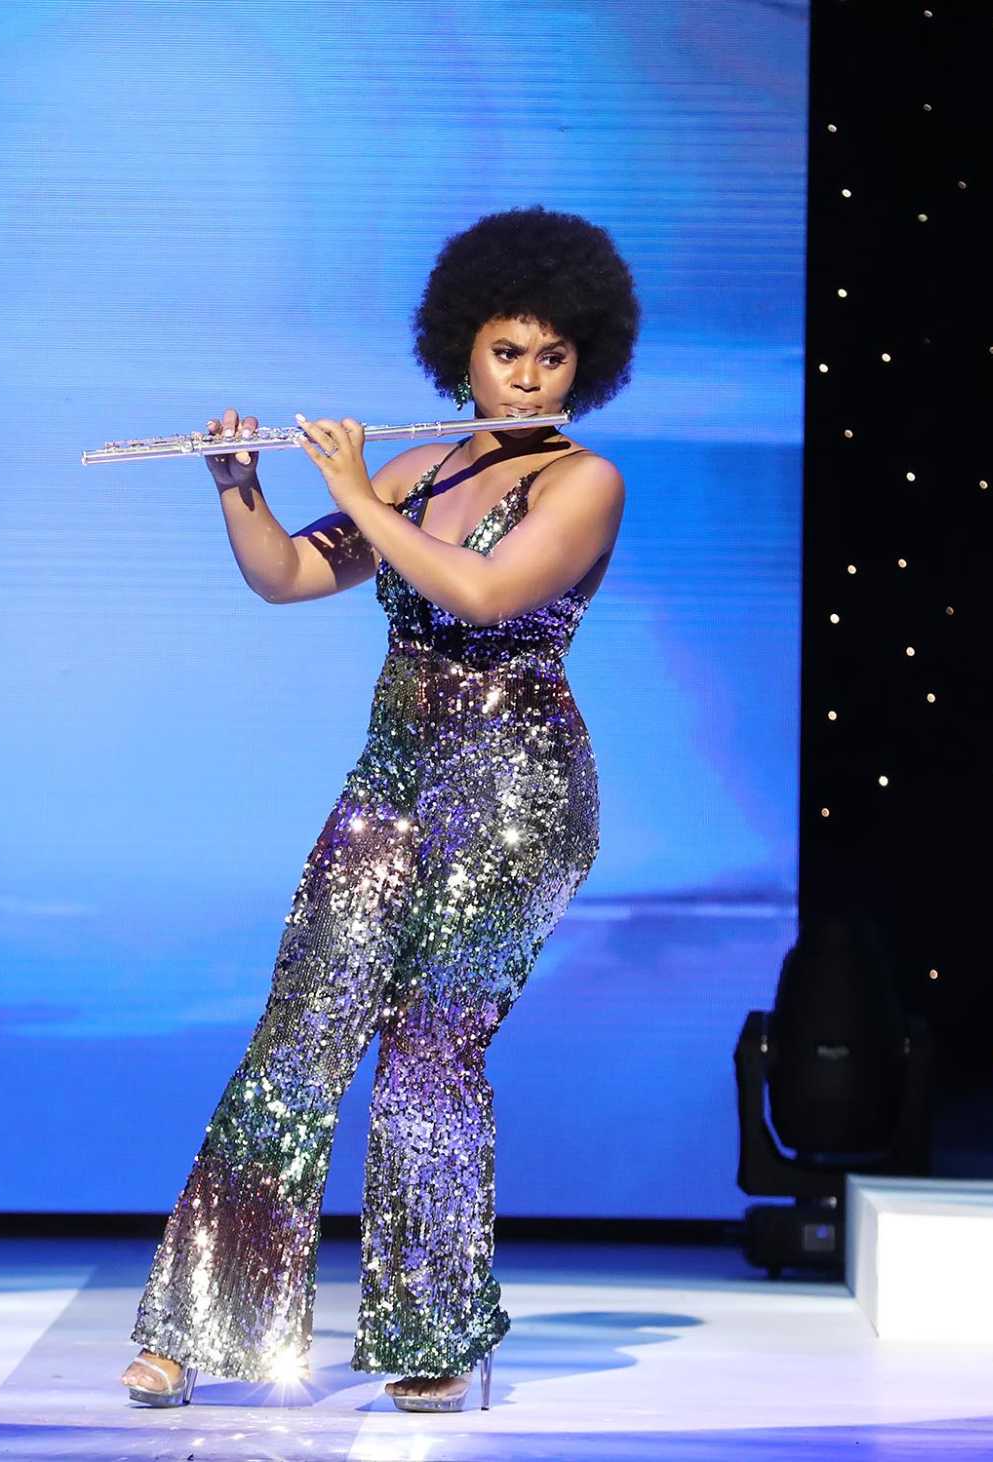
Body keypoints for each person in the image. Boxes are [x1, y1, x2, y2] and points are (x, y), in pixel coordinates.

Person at [121, 206, 640, 1414]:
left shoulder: (584, 481)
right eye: (505, 350)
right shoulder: (419, 471)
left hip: (517, 803)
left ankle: (434, 1331)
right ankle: (198, 1325)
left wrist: (354, 491)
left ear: (584, 363)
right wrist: (239, 487)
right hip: (390, 783)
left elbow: (479, 593)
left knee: (425, 1059)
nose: (524, 374)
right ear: (461, 347)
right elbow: (287, 577)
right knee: (297, 1035)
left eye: (550, 356)